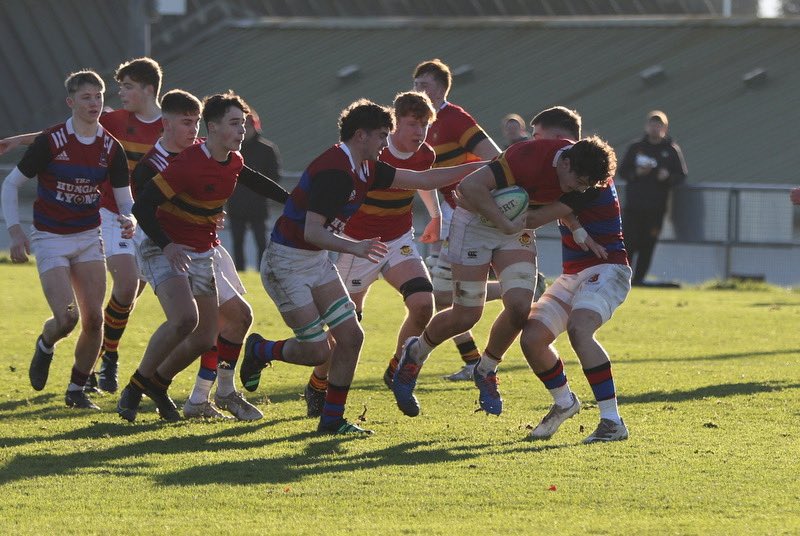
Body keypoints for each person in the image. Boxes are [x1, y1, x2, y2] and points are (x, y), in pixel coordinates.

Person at [238, 99, 483, 435]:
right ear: (361, 136)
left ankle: (332, 420)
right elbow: (312, 231)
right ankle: (260, 348)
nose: (387, 142)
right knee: (315, 351)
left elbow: (423, 181)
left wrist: (481, 168)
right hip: (288, 263)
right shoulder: (335, 172)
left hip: (319, 260)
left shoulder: (366, 165)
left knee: (351, 336)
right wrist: (357, 246)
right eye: (382, 135)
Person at [392, 133, 617, 418]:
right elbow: (469, 186)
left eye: (585, 186)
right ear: (566, 162)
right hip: (475, 223)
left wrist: (575, 227)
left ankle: (485, 369)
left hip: (516, 228)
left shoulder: (586, 179)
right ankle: (415, 353)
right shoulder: (529, 156)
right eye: (578, 181)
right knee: (466, 315)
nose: (579, 189)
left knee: (521, 307)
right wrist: (502, 221)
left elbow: (562, 204)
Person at [116, 91, 286, 422]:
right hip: (163, 246)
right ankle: (135, 388)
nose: (241, 131)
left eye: (244, 124)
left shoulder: (233, 160)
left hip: (201, 250)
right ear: (215, 128)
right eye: (235, 124)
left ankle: (159, 384)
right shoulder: (186, 163)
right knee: (184, 320)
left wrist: (295, 201)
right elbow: (142, 206)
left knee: (206, 336)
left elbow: (254, 181)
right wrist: (167, 244)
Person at [0, 57, 165, 393]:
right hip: (50, 237)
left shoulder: (110, 147)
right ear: (71, 102)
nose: (95, 103)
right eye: (87, 97)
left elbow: (124, 198)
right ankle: (47, 342)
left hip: (89, 236)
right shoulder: (53, 141)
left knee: (93, 320)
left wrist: (130, 218)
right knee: (67, 319)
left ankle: (78, 388)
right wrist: (14, 229)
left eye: (99, 96)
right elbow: (11, 184)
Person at [300, 91, 440, 417]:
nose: (419, 132)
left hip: (398, 240)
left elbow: (422, 180)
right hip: (357, 245)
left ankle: (397, 370)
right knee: (345, 328)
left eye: (424, 125)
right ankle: (319, 383)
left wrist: (436, 215)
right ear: (395, 125)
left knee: (422, 304)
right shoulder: (374, 151)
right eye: (412, 124)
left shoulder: (425, 154)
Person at [519, 106, 631, 444]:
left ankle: (612, 422)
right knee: (531, 339)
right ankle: (565, 402)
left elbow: (533, 218)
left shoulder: (590, 180)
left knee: (580, 329)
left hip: (608, 268)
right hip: (573, 274)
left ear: (561, 141)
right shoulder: (566, 175)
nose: (536, 145)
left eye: (540, 138)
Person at [411, 58, 504, 382]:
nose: (419, 90)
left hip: (464, 213)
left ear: (442, 88)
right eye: (416, 84)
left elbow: (495, 157)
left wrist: (478, 194)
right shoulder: (418, 124)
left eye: (425, 84)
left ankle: (514, 289)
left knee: (441, 293)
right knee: (443, 295)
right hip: (447, 213)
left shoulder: (454, 118)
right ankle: (473, 362)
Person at [619, 110, 687, 286]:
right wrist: (637, 173)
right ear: (647, 126)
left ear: (664, 128)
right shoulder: (636, 148)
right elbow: (623, 172)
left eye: (659, 125)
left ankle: (639, 278)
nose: (655, 128)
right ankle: (623, 278)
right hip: (634, 206)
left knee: (648, 243)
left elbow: (681, 176)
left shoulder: (671, 150)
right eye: (652, 124)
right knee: (628, 242)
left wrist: (667, 177)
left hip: (656, 207)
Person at [227, 110, 281, 271]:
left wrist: (261, 188)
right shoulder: (232, 149)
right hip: (236, 203)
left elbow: (274, 175)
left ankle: (262, 270)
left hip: (259, 204)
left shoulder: (268, 149)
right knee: (237, 242)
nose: (246, 129)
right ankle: (239, 271)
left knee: (261, 242)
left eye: (249, 125)